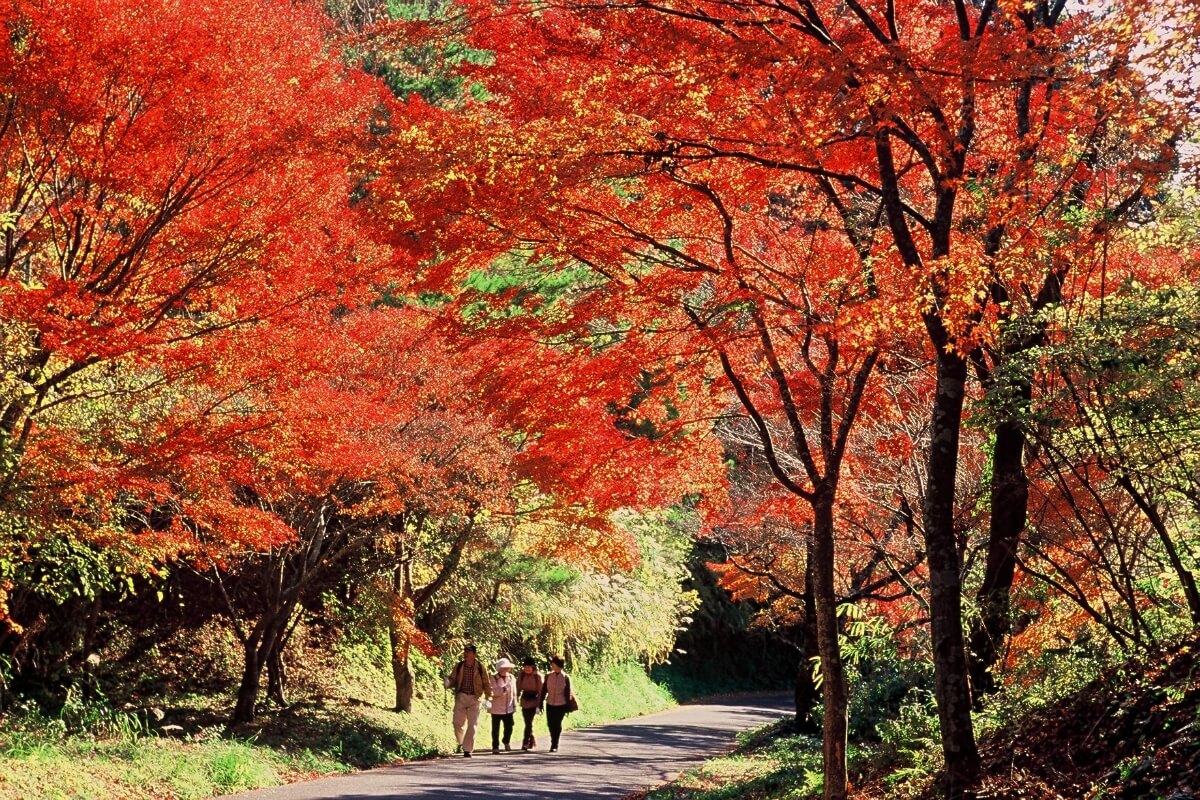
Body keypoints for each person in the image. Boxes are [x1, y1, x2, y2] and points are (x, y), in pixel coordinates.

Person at [444, 643, 492, 757]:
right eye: (465, 651)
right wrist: (448, 683)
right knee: (457, 723)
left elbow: (486, 683)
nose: (466, 654)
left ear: (474, 654)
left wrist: (488, 698)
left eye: (469, 652)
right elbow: (453, 679)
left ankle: (467, 749)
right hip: (461, 696)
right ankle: (461, 743)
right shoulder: (459, 666)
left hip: (475, 698)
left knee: (472, 725)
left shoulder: (480, 667)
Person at [538, 654, 575, 753]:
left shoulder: (565, 678)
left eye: (553, 663)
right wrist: (540, 703)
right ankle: (552, 739)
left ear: (558, 664)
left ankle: (555, 744)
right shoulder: (548, 676)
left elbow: (568, 693)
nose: (552, 665)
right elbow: (544, 690)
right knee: (550, 724)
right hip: (550, 703)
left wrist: (567, 707)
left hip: (561, 704)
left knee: (557, 724)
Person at [489, 657, 517, 753]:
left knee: (509, 727)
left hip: (508, 708)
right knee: (495, 729)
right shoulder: (493, 678)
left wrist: (515, 704)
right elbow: (493, 692)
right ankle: (495, 746)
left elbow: (514, 692)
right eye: (504, 668)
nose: (506, 670)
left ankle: (506, 741)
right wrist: (504, 689)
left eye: (507, 668)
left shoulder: (511, 677)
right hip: (496, 708)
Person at [515, 656, 543, 751]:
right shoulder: (521, 675)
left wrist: (539, 705)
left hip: (534, 701)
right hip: (525, 701)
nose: (527, 669)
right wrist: (516, 698)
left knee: (528, 723)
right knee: (527, 722)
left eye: (529, 666)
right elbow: (518, 688)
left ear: (533, 667)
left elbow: (540, 692)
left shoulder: (538, 676)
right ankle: (531, 738)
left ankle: (525, 742)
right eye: (525, 666)